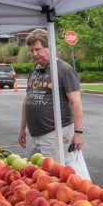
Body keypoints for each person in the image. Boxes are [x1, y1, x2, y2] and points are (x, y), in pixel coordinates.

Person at [19, 28, 84, 160]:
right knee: (33, 175)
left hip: (54, 134)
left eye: (38, 49)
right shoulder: (34, 71)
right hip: (33, 134)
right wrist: (22, 129)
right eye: (32, 50)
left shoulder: (63, 70)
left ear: (50, 47)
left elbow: (75, 102)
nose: (34, 54)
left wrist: (78, 133)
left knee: (55, 175)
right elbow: (27, 101)